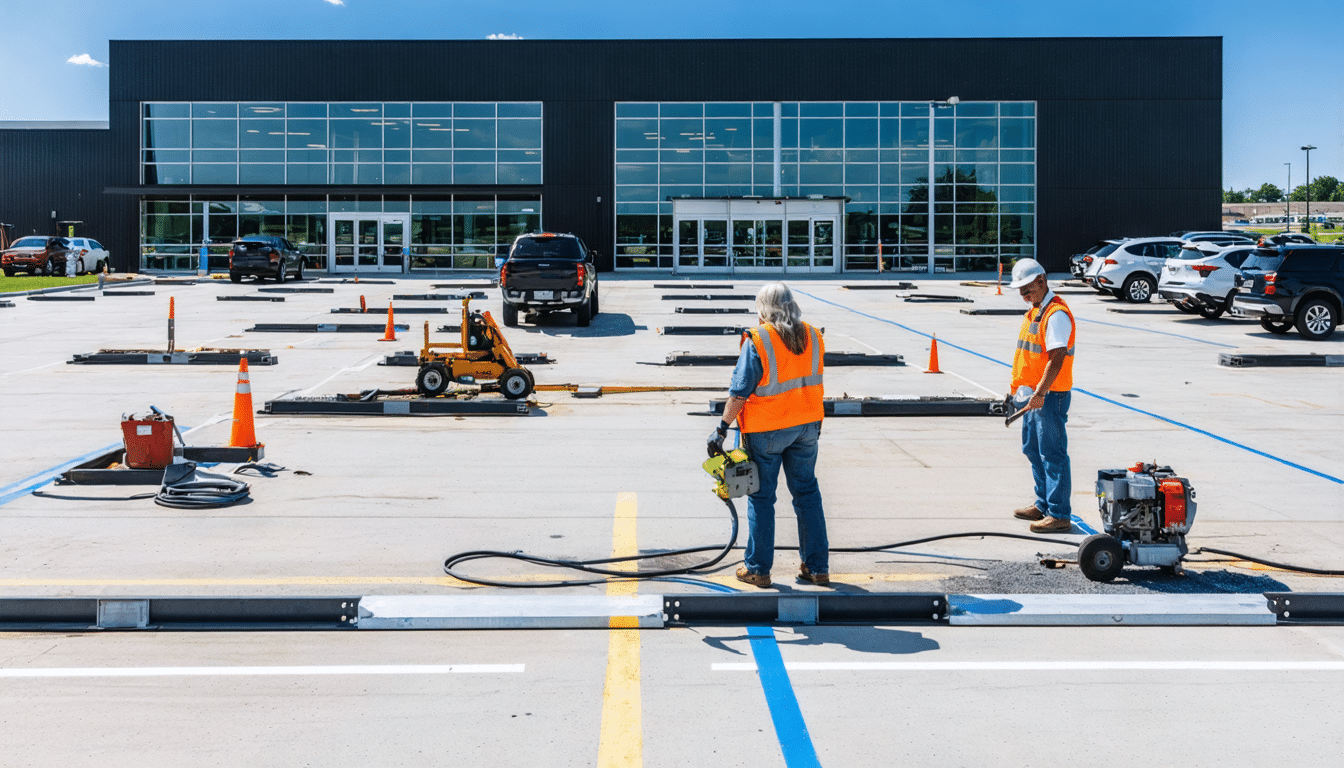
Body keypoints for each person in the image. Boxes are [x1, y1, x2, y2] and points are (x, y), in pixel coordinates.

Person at [707, 282, 829, 588]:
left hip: (768, 430)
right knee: (807, 494)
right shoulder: (814, 335)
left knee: (762, 499)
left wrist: (721, 429)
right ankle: (817, 568)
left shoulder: (759, 339)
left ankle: (758, 569)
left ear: (763, 309)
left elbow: (739, 392)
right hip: (807, 426)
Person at [1007, 258, 1076, 533]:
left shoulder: (1056, 314)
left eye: (1028, 289)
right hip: (1032, 396)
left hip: (1049, 396)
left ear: (1041, 281)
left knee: (1053, 454)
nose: (1024, 295)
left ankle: (1059, 514)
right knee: (1033, 450)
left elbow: (1057, 358)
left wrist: (1040, 392)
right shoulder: (1035, 311)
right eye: (1021, 291)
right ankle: (1043, 504)